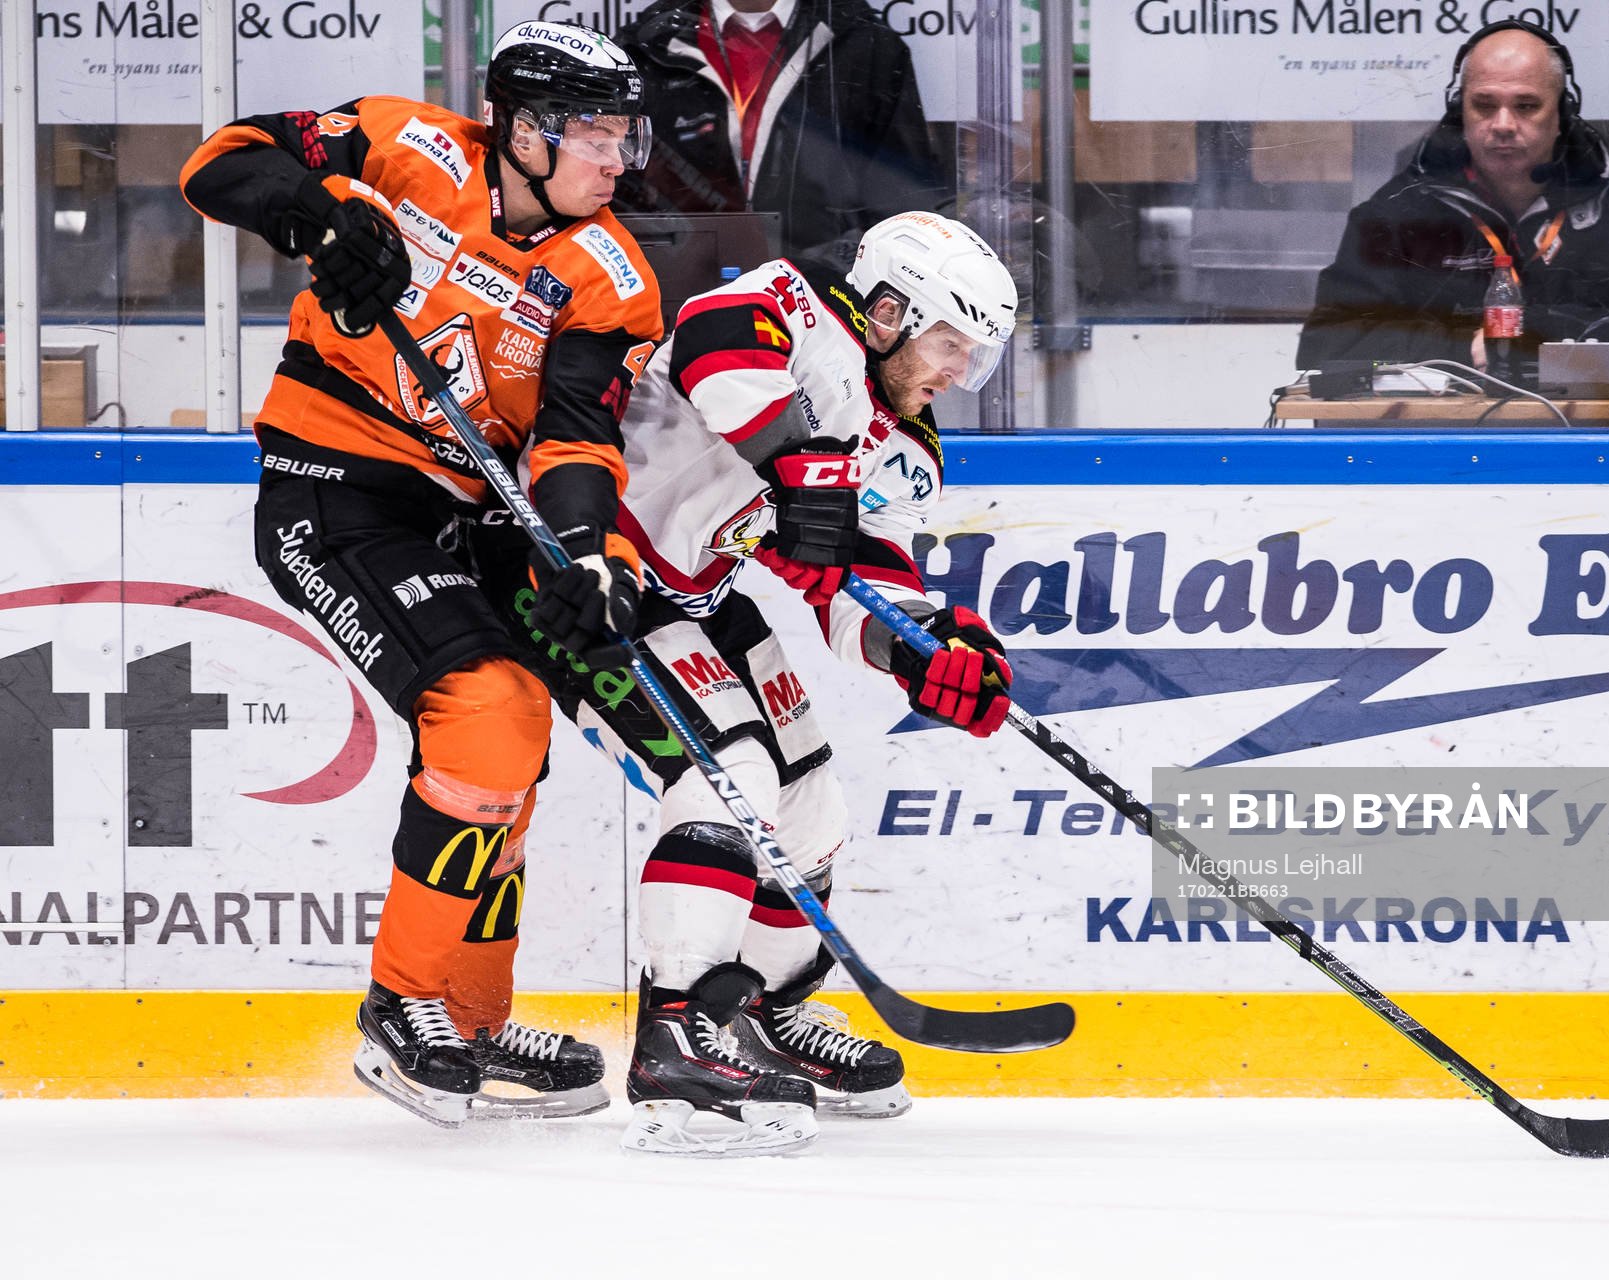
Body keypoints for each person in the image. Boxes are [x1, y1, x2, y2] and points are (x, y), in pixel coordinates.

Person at [179, 20, 664, 1127]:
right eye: (594, 131)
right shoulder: (410, 149)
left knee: (519, 735)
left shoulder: (609, 274)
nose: (615, 157)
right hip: (331, 480)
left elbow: (578, 437)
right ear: (524, 130)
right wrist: (322, 214)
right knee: (487, 707)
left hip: (466, 507)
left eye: (626, 134)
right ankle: (404, 1006)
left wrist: (590, 548)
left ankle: (472, 1016)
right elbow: (222, 160)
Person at [483, 210, 1018, 1156]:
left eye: (972, 360)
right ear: (892, 307)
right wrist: (801, 472)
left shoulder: (910, 453)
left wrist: (928, 653)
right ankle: (673, 1035)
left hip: (698, 591)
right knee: (727, 772)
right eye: (948, 344)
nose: (954, 374)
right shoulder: (799, 310)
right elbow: (710, 341)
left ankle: (758, 1012)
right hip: (591, 574)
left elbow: (866, 585)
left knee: (812, 803)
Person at [1297, 19, 1609, 379]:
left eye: (1526, 106)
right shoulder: (1397, 213)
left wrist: (1530, 333)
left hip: (1585, 430)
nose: (1503, 124)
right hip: (1439, 430)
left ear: (1563, 114)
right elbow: (1328, 346)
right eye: (1484, 105)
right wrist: (1465, 347)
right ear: (1458, 110)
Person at [612, 0, 952, 269]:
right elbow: (613, 193)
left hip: (824, 310)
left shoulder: (868, 47)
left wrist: (833, 273)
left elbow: (905, 205)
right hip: (676, 302)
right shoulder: (643, 48)